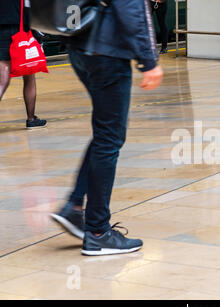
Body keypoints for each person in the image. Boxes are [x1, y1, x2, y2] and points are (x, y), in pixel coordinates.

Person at [51, 0, 163, 256]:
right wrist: (149, 60)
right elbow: (132, 7)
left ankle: (75, 207)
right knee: (110, 138)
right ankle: (98, 231)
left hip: (81, 45)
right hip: (107, 52)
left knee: (105, 133)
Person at [0, 0, 47, 129]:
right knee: (29, 76)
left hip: (1, 28)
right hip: (21, 30)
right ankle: (31, 119)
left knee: (2, 80)